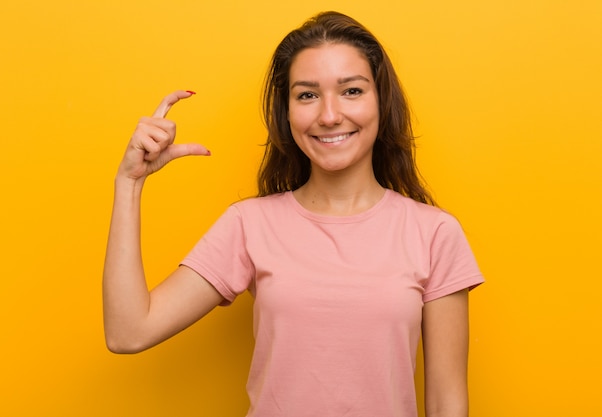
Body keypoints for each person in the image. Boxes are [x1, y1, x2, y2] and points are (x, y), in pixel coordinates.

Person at [103, 11, 484, 417]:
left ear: (380, 101)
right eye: (307, 95)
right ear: (287, 113)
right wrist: (129, 184)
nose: (329, 115)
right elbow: (129, 331)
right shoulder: (249, 225)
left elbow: (447, 404)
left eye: (351, 91)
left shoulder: (434, 233)